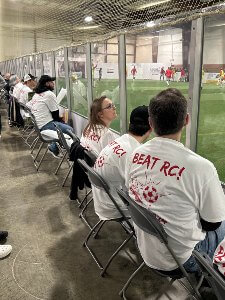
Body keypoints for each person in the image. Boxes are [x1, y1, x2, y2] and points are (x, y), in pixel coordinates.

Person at [126, 88, 225, 274]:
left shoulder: (136, 154)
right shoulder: (202, 167)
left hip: (145, 247)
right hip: (181, 260)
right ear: (186, 120)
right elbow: (213, 223)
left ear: (151, 123)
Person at [93, 105, 151, 220]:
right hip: (114, 208)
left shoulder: (119, 141)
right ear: (152, 127)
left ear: (130, 123)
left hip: (102, 202)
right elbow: (140, 194)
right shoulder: (135, 154)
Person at [26, 75, 74, 158]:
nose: (53, 83)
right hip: (45, 125)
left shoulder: (37, 94)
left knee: (61, 126)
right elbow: (55, 115)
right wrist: (61, 120)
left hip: (39, 125)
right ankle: (54, 148)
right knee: (69, 129)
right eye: (52, 82)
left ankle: (55, 146)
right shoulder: (49, 94)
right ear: (47, 84)